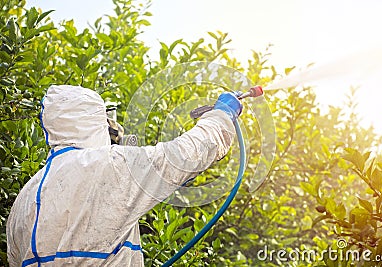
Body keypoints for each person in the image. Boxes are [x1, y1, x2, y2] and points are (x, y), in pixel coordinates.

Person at [6, 85, 242, 267]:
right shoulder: (107, 166)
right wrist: (221, 116)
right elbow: (186, 154)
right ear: (93, 122)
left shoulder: (24, 198)